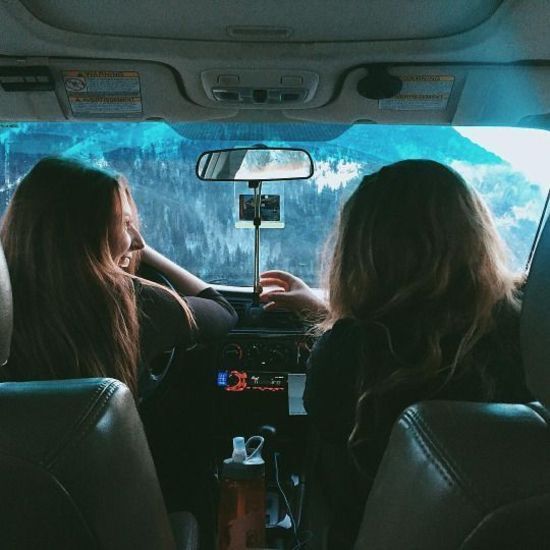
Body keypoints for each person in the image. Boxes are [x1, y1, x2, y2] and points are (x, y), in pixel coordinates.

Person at [260, 159, 533, 548]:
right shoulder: (529, 330)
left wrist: (338, 319)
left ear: (360, 251)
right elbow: (433, 317)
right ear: (474, 233)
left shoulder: (347, 354)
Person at [0, 157, 238, 401]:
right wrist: (145, 254)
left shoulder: (6, 303)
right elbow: (222, 310)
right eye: (125, 224)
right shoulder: (135, 303)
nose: (138, 241)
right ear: (85, 233)